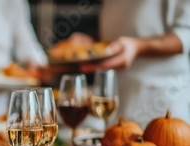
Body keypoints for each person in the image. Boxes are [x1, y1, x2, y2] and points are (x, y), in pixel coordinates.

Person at [78, 0, 190, 128]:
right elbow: (126, 27)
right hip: (117, 96)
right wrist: (92, 42)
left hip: (161, 97)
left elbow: (185, 35)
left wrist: (137, 47)